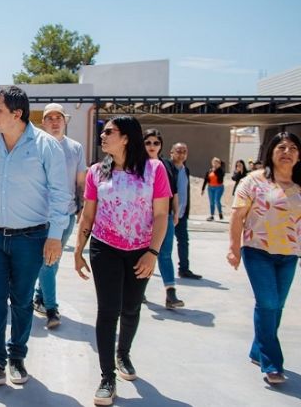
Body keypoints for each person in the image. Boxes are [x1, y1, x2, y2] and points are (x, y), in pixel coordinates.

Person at [0, 86, 71, 388]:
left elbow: (62, 195)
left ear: (17, 113)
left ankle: (17, 358)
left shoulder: (46, 146)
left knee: (21, 301)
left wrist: (55, 237)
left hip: (31, 238)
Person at [73, 116, 170, 406]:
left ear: (126, 137)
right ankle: (107, 377)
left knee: (131, 307)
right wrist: (78, 250)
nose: (102, 136)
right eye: (102, 132)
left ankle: (123, 353)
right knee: (108, 310)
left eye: (109, 132)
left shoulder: (154, 169)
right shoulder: (96, 172)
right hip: (105, 249)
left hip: (141, 250)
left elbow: (162, 215)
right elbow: (88, 214)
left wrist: (152, 253)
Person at [227, 132, 300, 385]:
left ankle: (258, 349)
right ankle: (272, 364)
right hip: (258, 251)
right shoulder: (253, 181)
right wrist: (234, 248)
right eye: (281, 147)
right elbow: (237, 216)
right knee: (268, 303)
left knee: (276, 306)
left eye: (292, 148)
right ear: (271, 152)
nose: (287, 152)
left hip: (290, 254)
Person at [32, 103, 86, 329]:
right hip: (40, 216)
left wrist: (82, 208)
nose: (54, 121)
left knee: (51, 261)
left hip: (67, 214)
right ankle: (51, 308)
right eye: (49, 118)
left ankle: (39, 297)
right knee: (48, 262)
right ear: (43, 122)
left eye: (58, 117)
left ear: (66, 121)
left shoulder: (75, 148)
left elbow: (80, 181)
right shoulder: (34, 146)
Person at [143, 129, 184, 309]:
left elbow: (173, 192)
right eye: (148, 142)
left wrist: (175, 213)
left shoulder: (166, 166)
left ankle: (171, 293)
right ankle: (138, 291)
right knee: (143, 255)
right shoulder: (137, 164)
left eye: (156, 143)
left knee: (165, 254)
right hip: (142, 218)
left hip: (164, 216)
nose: (152, 146)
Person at [165, 142, 202, 280]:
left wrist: (185, 211)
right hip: (168, 214)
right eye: (178, 151)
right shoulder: (167, 169)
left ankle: (184, 269)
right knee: (162, 246)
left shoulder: (185, 170)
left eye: (184, 152)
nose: (181, 154)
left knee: (183, 241)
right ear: (171, 152)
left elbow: (184, 192)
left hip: (181, 214)